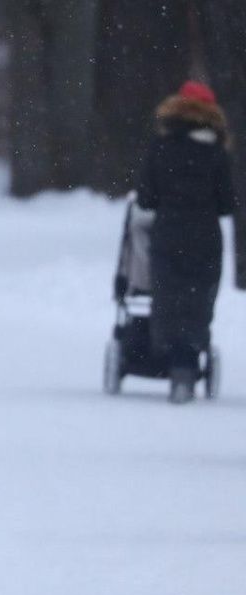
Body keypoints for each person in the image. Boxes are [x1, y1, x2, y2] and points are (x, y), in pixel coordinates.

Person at [136, 80, 239, 403]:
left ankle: (168, 357)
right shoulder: (216, 153)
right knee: (198, 301)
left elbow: (146, 197)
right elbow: (226, 203)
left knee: (168, 297)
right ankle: (188, 361)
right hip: (205, 237)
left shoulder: (160, 145)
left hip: (168, 233)